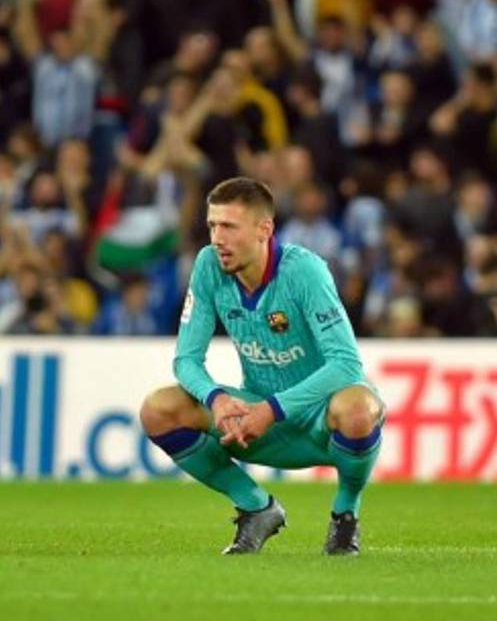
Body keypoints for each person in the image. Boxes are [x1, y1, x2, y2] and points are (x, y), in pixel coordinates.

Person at [137, 177, 385, 556]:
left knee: (357, 407)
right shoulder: (208, 266)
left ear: (264, 229)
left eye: (229, 227)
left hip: (321, 421)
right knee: (159, 410)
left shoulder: (305, 271)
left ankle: (345, 515)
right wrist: (217, 398)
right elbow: (186, 360)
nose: (217, 238)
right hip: (258, 422)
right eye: (212, 226)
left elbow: (347, 364)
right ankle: (256, 508)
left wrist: (273, 409)